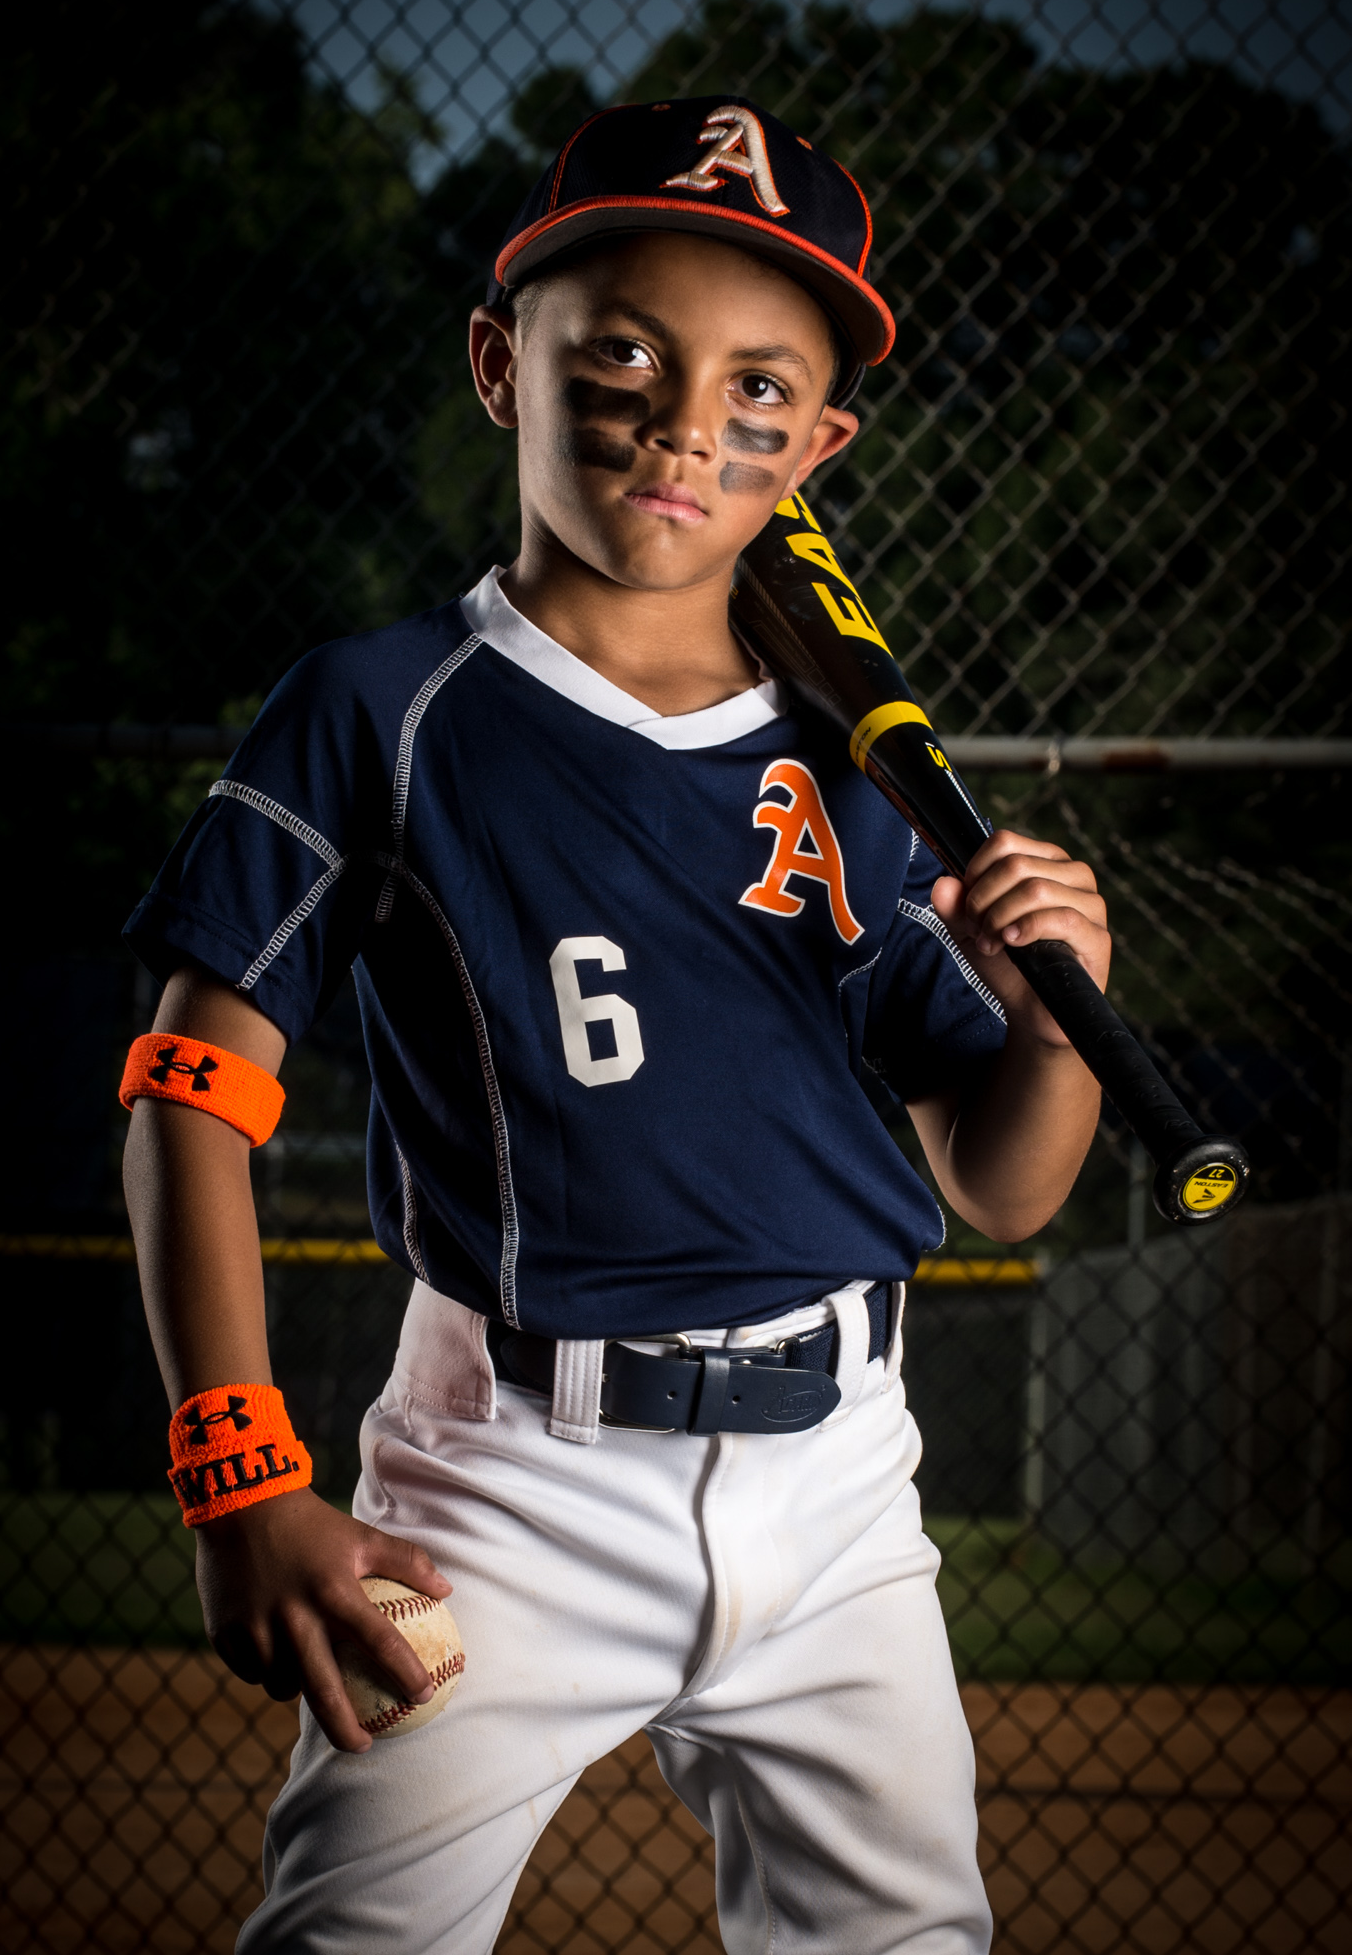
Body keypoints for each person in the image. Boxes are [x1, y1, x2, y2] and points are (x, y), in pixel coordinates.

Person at [121, 97, 1110, 1954]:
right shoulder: (385, 708)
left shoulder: (854, 771)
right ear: (505, 364)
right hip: (511, 1475)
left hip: (840, 1484)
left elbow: (993, 1186)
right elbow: (187, 1091)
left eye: (758, 393)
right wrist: (234, 1472)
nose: (684, 426)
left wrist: (1057, 1026)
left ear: (816, 446)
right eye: (629, 355)